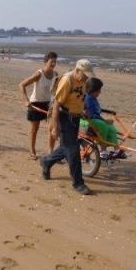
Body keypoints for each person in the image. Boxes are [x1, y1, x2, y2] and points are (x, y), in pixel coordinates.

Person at [40, 59, 96, 195]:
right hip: (64, 117)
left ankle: (46, 161)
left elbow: (79, 98)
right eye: (84, 74)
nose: (87, 77)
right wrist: (55, 126)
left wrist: (84, 110)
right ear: (77, 70)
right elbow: (56, 105)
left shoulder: (83, 81)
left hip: (76, 118)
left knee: (66, 148)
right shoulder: (67, 80)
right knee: (73, 151)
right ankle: (78, 183)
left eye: (88, 74)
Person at [19, 51, 59, 160]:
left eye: (55, 62)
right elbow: (21, 85)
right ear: (45, 62)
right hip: (35, 103)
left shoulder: (56, 75)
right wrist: (26, 101)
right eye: (51, 61)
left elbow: (57, 91)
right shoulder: (39, 74)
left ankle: (50, 151)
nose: (53, 64)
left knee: (52, 128)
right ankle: (32, 151)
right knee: (34, 129)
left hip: (48, 104)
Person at [80, 77, 123, 159]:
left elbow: (96, 113)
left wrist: (106, 121)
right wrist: (105, 121)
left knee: (111, 128)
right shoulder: (88, 99)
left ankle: (116, 149)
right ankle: (103, 151)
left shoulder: (93, 99)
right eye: (98, 90)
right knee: (103, 125)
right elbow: (92, 115)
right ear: (92, 90)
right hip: (86, 121)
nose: (100, 92)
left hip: (93, 120)